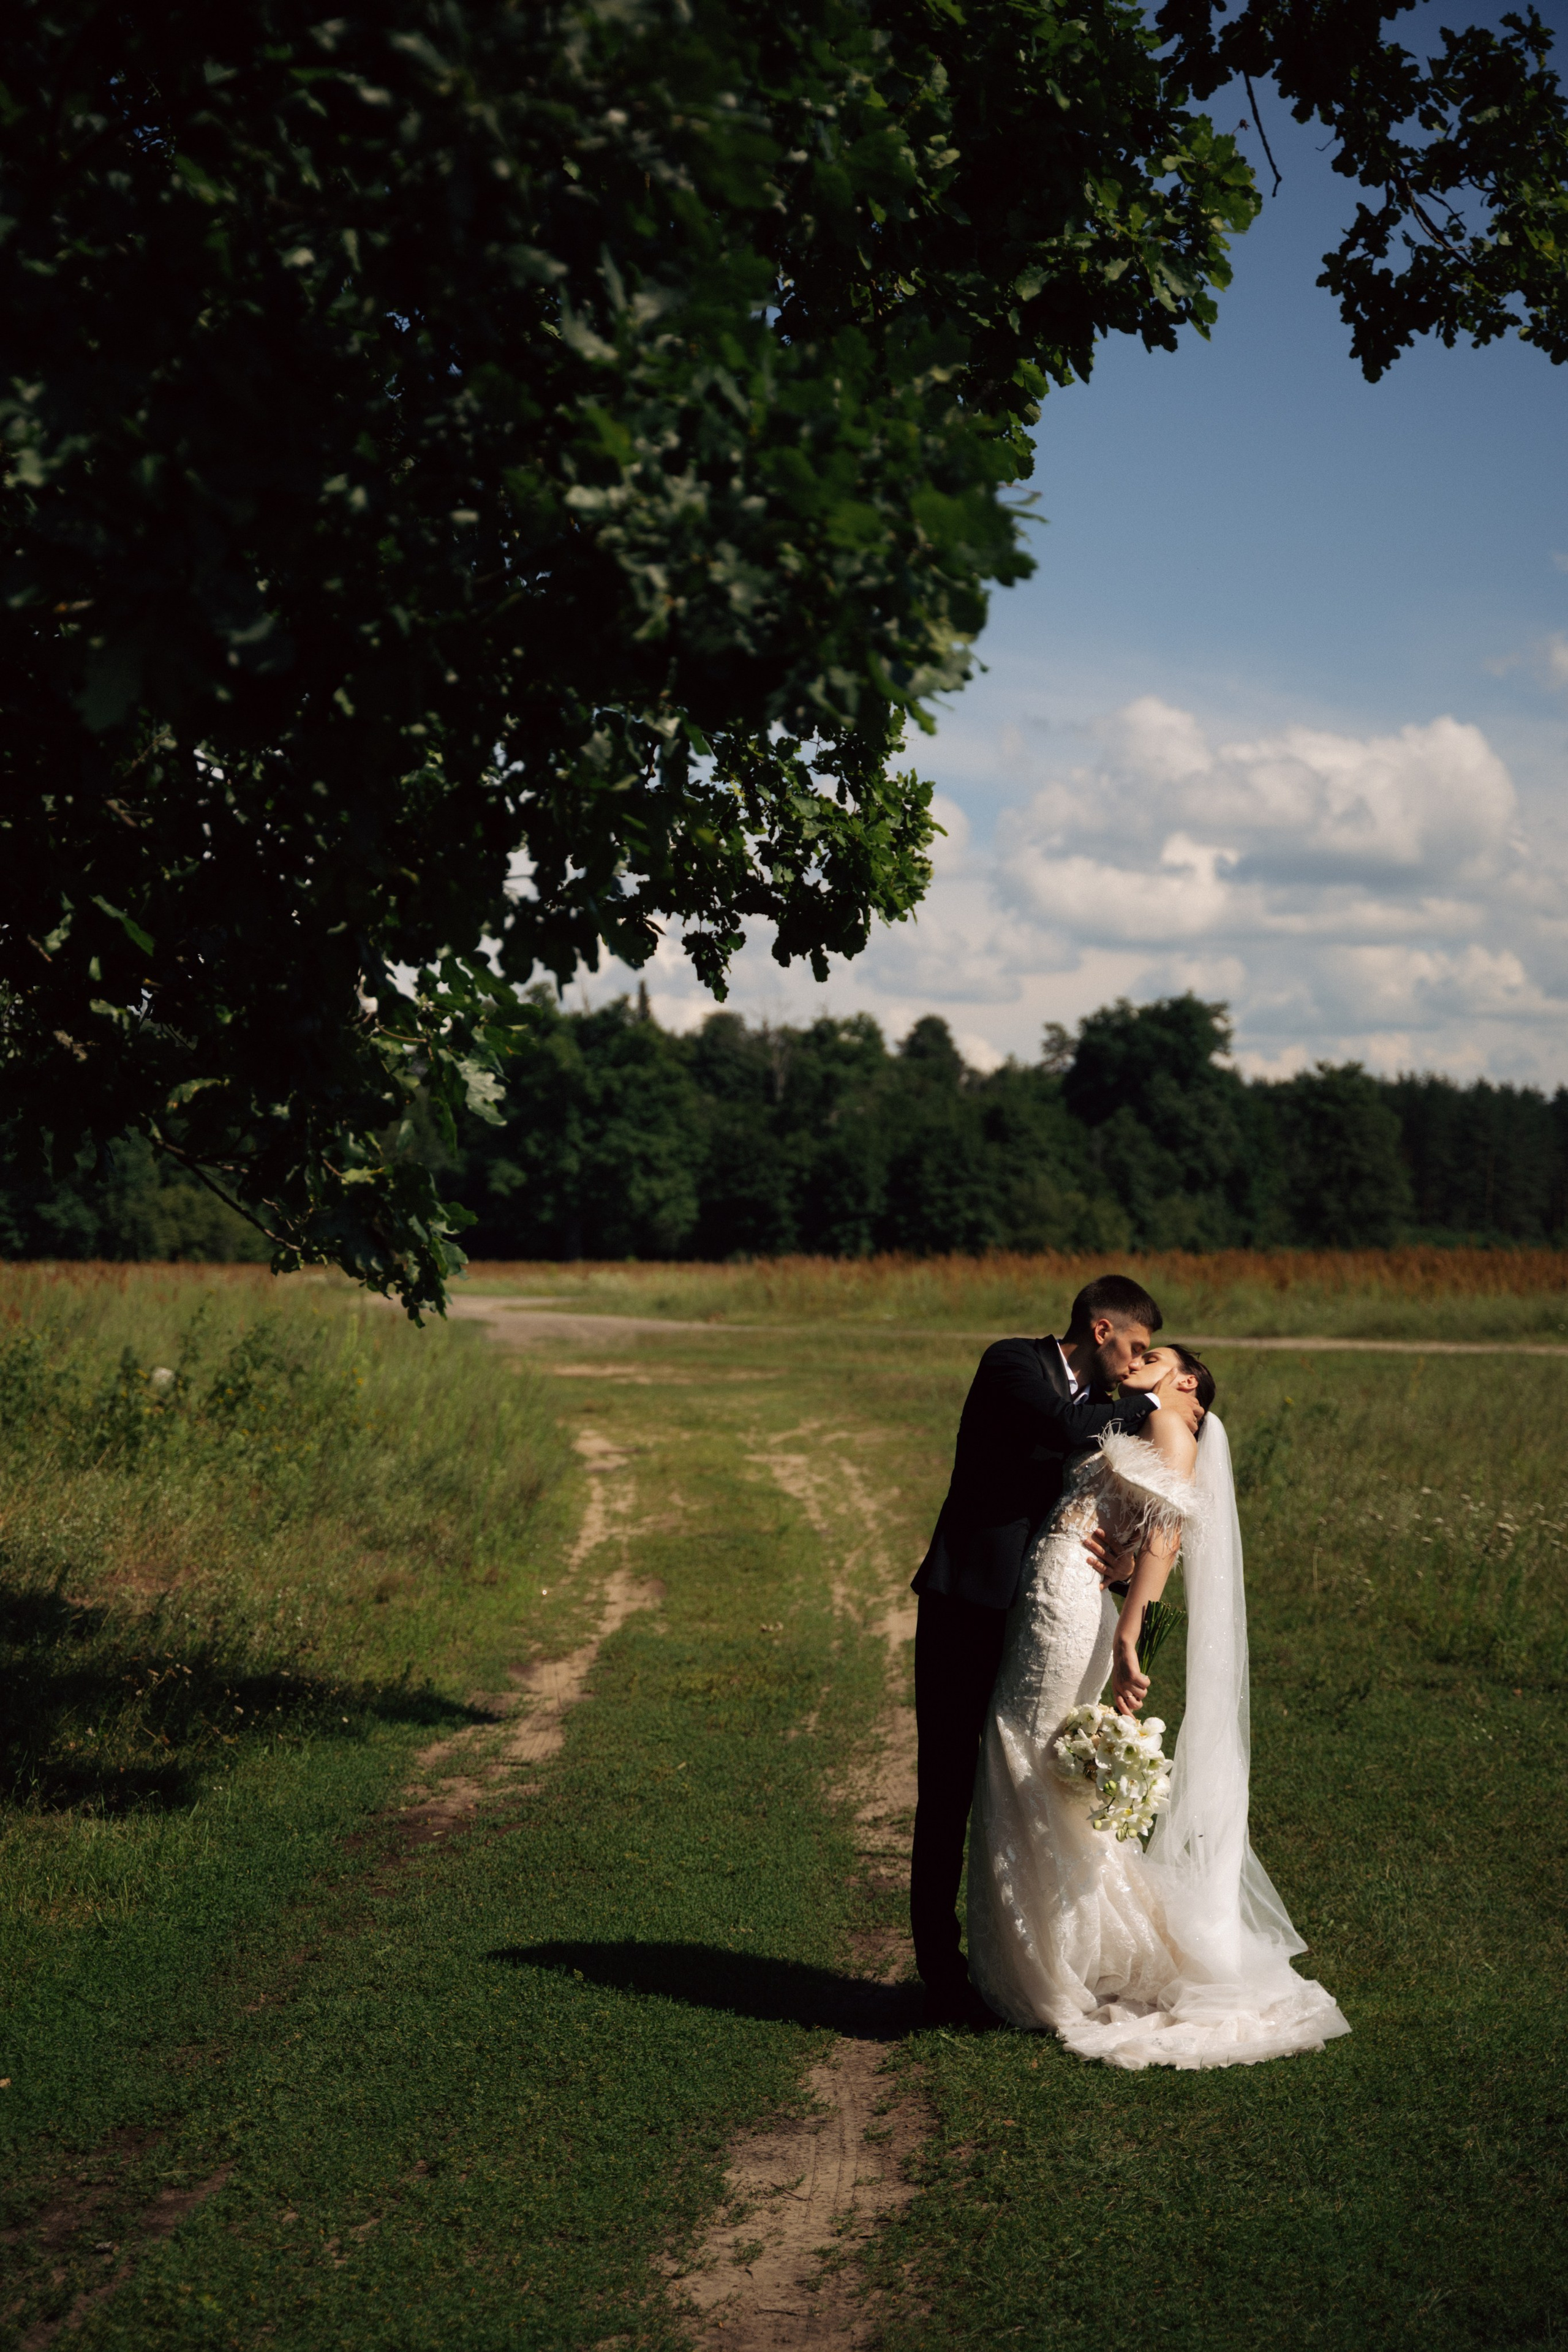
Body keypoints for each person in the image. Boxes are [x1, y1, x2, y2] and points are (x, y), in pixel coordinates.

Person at [967, 1344, 1351, 2067]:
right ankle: (1054, 1954)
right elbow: (1133, 1517)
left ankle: (1059, 1962)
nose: (1137, 1358)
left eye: (1155, 1356)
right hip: (1059, 1590)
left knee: (1028, 1754)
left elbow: (1167, 1534)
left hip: (1070, 1602)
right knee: (1032, 1754)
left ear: (1183, 1383)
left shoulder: (1171, 1426)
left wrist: (1132, 1631)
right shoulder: (1134, 1422)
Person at [909, 1275, 1202, 2028]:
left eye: (1152, 1358)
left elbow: (1143, 1511)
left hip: (1046, 1614)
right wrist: (1156, 1398)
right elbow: (1066, 1427)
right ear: (1101, 1332)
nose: (1138, 1363)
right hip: (968, 1606)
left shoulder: (1110, 1411)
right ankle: (941, 1970)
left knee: (1030, 1772)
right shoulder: (1013, 1363)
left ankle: (1046, 1953)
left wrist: (1130, 1565)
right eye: (1136, 1347)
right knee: (949, 1782)